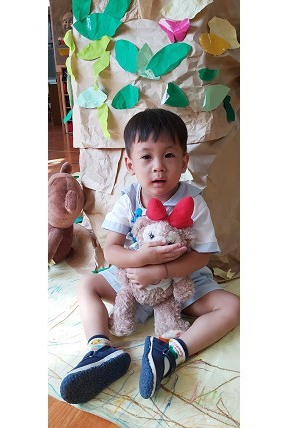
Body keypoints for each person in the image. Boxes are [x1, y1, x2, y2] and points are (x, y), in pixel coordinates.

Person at [59, 109, 240, 404]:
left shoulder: (192, 201)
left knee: (232, 306)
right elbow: (112, 249)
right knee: (86, 285)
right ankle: (99, 349)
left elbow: (201, 257)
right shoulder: (129, 198)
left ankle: (170, 352)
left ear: (184, 162)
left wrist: (162, 271)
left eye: (168, 155)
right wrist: (140, 261)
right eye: (146, 157)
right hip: (134, 281)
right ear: (130, 164)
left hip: (183, 281)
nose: (158, 167)